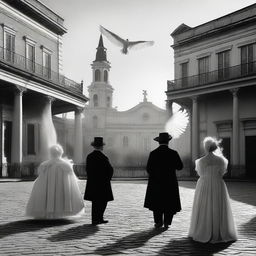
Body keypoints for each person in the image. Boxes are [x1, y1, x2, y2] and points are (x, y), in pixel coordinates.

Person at [189, 137, 238, 243]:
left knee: (204, 205)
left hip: (204, 184)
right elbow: (222, 173)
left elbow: (200, 174)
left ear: (205, 147)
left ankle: (203, 229)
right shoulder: (222, 160)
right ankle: (218, 230)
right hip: (217, 183)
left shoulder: (200, 161)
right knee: (217, 205)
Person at [26, 144, 84, 219]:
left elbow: (41, 176)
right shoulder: (65, 165)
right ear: (61, 153)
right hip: (61, 186)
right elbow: (70, 178)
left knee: (49, 193)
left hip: (49, 186)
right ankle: (59, 211)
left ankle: (48, 211)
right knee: (60, 194)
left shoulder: (46, 165)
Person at [144, 132, 183, 229]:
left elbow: (148, 169)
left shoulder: (153, 153)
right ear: (168, 142)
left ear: (158, 142)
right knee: (169, 202)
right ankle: (167, 222)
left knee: (157, 202)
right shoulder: (173, 153)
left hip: (156, 182)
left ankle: (158, 222)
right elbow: (180, 167)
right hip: (170, 182)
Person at [84, 137, 114, 225]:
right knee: (103, 201)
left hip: (93, 182)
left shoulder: (89, 156)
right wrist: (108, 178)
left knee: (95, 202)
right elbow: (110, 170)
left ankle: (95, 219)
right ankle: (99, 217)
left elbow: (87, 170)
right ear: (101, 147)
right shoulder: (103, 157)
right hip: (103, 183)